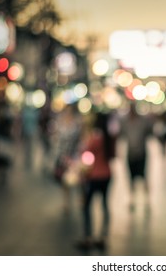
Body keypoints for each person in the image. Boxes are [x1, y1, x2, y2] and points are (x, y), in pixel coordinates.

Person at [75, 112, 116, 250]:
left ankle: (88, 237)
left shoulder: (94, 137)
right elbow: (113, 155)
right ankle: (103, 237)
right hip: (107, 174)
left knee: (86, 206)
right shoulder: (109, 138)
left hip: (93, 176)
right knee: (105, 205)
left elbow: (85, 154)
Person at [120, 104, 152, 211]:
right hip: (131, 154)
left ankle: (147, 200)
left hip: (141, 153)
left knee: (143, 176)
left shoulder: (142, 122)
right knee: (131, 177)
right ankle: (132, 199)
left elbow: (149, 132)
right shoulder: (125, 123)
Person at [53, 104, 82, 212]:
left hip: (74, 154)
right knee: (65, 179)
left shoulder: (77, 122)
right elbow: (57, 138)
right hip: (63, 154)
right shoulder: (60, 122)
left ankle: (80, 198)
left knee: (77, 178)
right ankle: (66, 202)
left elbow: (80, 138)